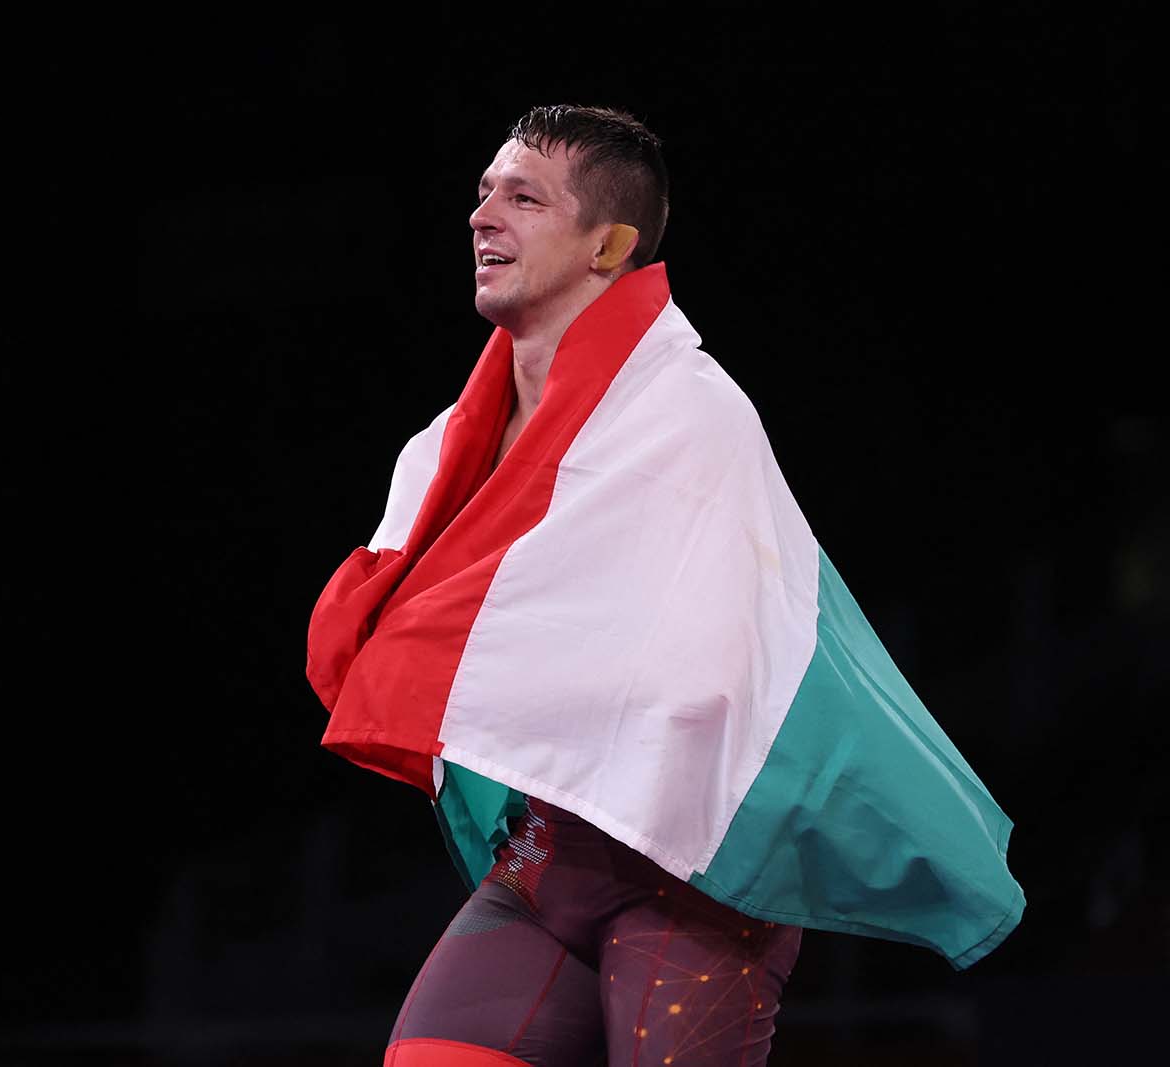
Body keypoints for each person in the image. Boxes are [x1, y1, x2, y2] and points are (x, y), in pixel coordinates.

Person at [305, 105, 1023, 1067]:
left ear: (610, 243)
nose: (483, 215)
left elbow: (722, 675)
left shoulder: (689, 417)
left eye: (523, 198)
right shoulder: (442, 452)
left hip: (695, 877)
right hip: (548, 861)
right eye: (482, 193)